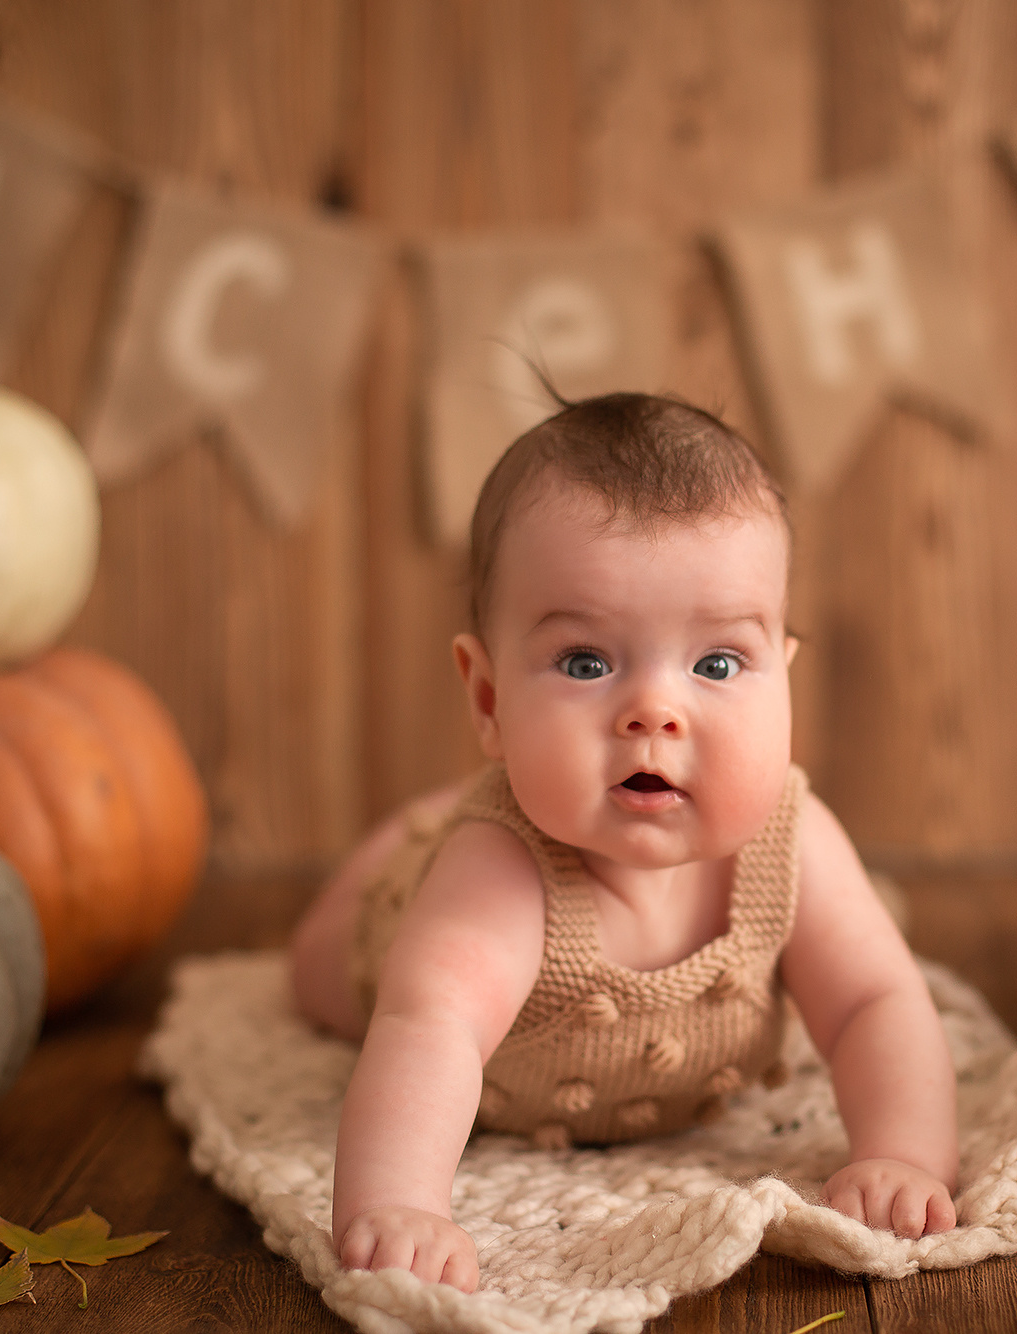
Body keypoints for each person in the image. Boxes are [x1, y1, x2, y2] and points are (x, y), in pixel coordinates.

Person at [289, 392, 958, 1293]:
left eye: (718, 665)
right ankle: (403, 844)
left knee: (876, 939)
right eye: (586, 663)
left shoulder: (791, 841)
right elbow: (431, 1028)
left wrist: (904, 1156)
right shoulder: (502, 868)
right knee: (318, 972)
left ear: (783, 680)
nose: (654, 710)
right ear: (486, 698)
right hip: (408, 924)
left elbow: (876, 1000)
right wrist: (400, 1204)